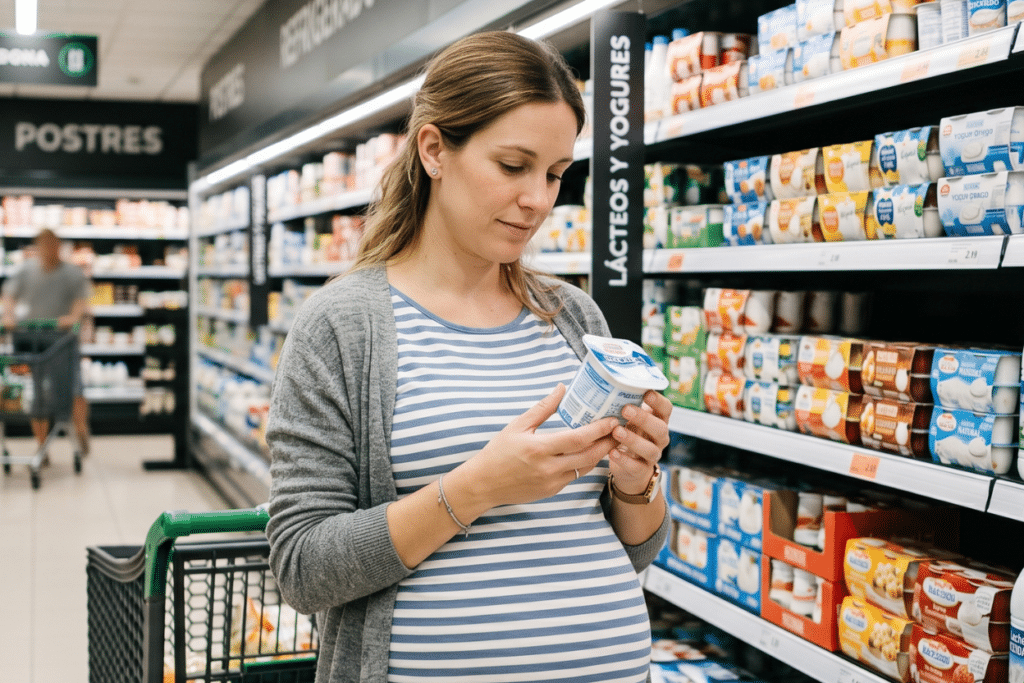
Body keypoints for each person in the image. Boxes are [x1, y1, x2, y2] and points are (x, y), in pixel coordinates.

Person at [266, 31, 671, 683]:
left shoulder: (574, 318)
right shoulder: (342, 326)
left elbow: (638, 546)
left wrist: (637, 481)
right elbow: (303, 568)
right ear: (434, 150)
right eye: (513, 166)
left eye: (555, 174)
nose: (539, 199)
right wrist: (476, 487)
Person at [1, 228, 91, 457]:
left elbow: (81, 301)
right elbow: (9, 295)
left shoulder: (71, 273)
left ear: (59, 246)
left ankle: (81, 427)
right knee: (37, 395)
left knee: (75, 390)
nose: (49, 249)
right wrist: (9, 315)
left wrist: (72, 318)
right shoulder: (26, 271)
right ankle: (42, 446)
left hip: (62, 341)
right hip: (32, 341)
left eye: (53, 244)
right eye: (44, 245)